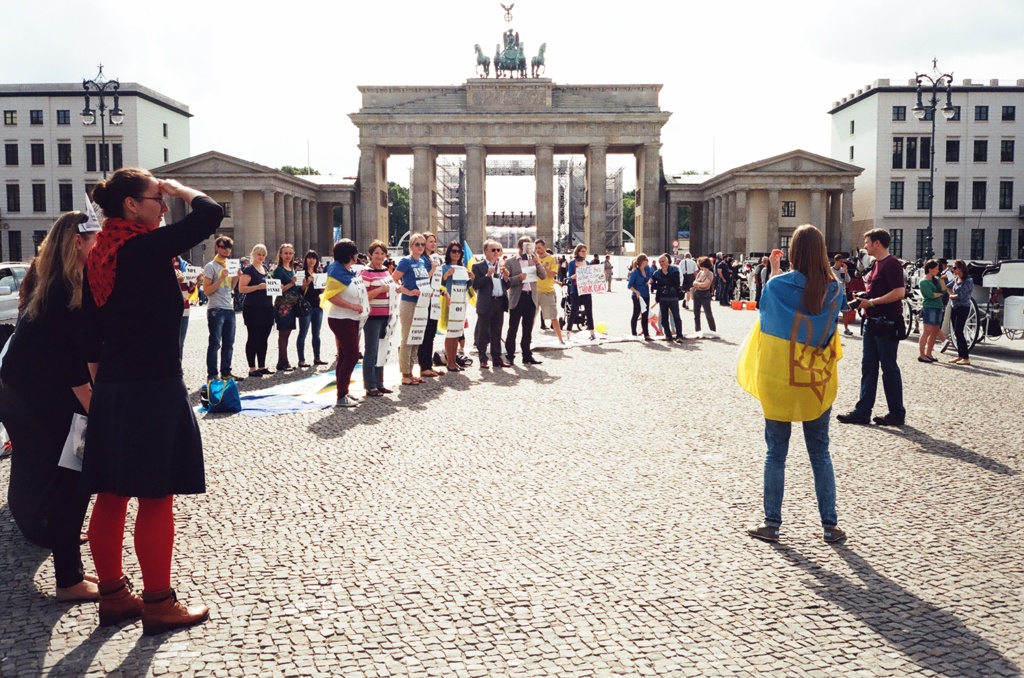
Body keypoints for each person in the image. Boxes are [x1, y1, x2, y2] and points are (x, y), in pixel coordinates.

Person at [82, 168, 222, 633]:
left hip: (115, 386)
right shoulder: (141, 248)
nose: (163, 207)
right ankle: (159, 604)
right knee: (156, 495)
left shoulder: (102, 251)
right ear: (130, 206)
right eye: (155, 198)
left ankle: (114, 596)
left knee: (111, 494)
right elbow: (210, 213)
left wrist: (103, 387)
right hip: (152, 384)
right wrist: (179, 187)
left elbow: (89, 333)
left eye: (164, 198)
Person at [0, 209, 99, 602]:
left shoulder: (55, 280)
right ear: (78, 242)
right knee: (72, 478)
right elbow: (70, 360)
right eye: (94, 239)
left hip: (18, 390)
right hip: (37, 394)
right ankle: (68, 578)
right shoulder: (67, 288)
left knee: (43, 469)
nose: (98, 245)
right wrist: (94, 406)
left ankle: (50, 538)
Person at [738, 224, 846, 544]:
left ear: (792, 252)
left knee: (776, 453)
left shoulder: (776, 286)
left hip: (782, 378)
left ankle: (772, 524)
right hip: (815, 380)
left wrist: (774, 272)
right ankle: (830, 525)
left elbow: (768, 317)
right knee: (820, 453)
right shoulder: (835, 287)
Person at [837, 228, 906, 427]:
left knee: (889, 368)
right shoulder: (877, 264)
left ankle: (896, 413)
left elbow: (899, 292)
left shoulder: (891, 263)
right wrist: (864, 300)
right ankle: (862, 411)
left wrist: (873, 302)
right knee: (868, 367)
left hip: (886, 322)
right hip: (873, 322)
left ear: (877, 243)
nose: (865, 246)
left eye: (867, 242)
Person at [321, 239, 366, 407]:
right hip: (341, 318)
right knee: (352, 356)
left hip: (350, 318)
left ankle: (343, 391)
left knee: (344, 356)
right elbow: (331, 296)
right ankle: (341, 396)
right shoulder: (336, 272)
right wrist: (352, 305)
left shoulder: (347, 270)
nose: (357, 255)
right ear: (350, 255)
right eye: (355, 253)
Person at [392, 233, 437, 384]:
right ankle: (405, 374)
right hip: (409, 303)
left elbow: (424, 281)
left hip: (421, 304)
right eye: (417, 244)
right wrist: (408, 291)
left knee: (416, 338)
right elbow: (394, 280)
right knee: (406, 339)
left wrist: (428, 291)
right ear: (411, 246)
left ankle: (412, 372)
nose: (420, 247)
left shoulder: (422, 263)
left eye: (422, 244)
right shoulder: (406, 261)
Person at [202, 235, 242, 382]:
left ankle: (226, 372)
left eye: (228, 247)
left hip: (229, 308)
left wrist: (236, 277)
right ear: (217, 248)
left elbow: (230, 289)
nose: (226, 250)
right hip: (215, 309)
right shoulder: (211, 266)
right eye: (223, 247)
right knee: (215, 343)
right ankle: (212, 375)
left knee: (229, 343)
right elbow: (206, 291)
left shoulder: (230, 265)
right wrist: (220, 278)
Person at [505, 236, 546, 365]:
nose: (528, 250)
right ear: (520, 247)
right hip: (517, 297)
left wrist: (538, 263)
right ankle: (510, 355)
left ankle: (527, 355)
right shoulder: (511, 261)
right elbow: (506, 282)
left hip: (531, 297)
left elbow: (543, 276)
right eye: (526, 247)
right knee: (513, 328)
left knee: (528, 329)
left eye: (530, 247)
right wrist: (518, 278)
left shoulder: (533, 260)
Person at [361, 240, 394, 396]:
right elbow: (363, 296)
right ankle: (370, 384)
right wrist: (380, 289)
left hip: (386, 316)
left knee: (382, 350)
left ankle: (380, 382)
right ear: (370, 255)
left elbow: (392, 289)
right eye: (376, 253)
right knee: (371, 351)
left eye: (382, 253)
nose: (380, 256)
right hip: (372, 317)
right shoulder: (366, 272)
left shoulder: (386, 271)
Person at [471, 239, 511, 368]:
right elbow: (475, 285)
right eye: (493, 250)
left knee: (497, 331)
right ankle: (483, 358)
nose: (496, 252)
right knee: (483, 332)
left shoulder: (502, 265)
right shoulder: (478, 266)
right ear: (486, 251)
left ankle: (497, 358)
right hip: (486, 302)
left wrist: (506, 278)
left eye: (498, 250)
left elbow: (507, 285)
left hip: (499, 301)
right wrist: (487, 276)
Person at [238, 244, 274, 377]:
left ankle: (262, 365)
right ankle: (252, 367)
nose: (261, 257)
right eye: (259, 254)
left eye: (263, 255)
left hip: (267, 307)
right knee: (253, 337)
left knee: (264, 337)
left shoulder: (264, 268)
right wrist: (257, 287)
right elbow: (241, 288)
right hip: (253, 307)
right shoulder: (249, 269)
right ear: (253, 254)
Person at [416, 233, 444, 378]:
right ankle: (424, 366)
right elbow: (421, 279)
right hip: (424, 300)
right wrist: (432, 270)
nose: (433, 244)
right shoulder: (422, 260)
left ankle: (429, 365)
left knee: (431, 333)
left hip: (434, 300)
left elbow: (438, 281)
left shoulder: (434, 258)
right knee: (425, 333)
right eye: (430, 242)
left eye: (434, 241)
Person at [440, 240, 469, 372]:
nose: (456, 254)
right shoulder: (444, 268)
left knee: (457, 332)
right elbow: (439, 285)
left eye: (459, 251)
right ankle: (449, 362)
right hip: (449, 301)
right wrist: (446, 276)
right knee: (450, 333)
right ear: (449, 253)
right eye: (454, 251)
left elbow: (466, 287)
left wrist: (471, 278)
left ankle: (454, 360)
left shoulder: (463, 268)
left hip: (461, 302)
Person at [271, 243, 300, 372]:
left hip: (292, 305)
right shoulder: (279, 270)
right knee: (283, 333)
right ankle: (283, 361)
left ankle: (282, 361)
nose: (288, 255)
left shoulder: (292, 268)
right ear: (280, 255)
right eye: (286, 253)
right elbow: (277, 289)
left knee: (287, 333)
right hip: (283, 305)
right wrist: (291, 283)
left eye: (290, 253)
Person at [296, 249, 326, 368]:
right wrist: (307, 283)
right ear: (305, 259)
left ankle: (317, 358)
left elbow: (322, 291)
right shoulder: (301, 273)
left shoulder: (320, 273)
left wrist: (323, 289)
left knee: (316, 334)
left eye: (314, 258)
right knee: (303, 333)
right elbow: (299, 290)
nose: (311, 260)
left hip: (317, 306)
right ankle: (301, 359)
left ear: (316, 260)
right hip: (305, 307)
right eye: (309, 258)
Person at [533, 239, 564, 344]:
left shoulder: (552, 259)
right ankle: (528, 338)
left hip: (547, 291)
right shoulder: (533, 258)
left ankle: (560, 339)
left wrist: (542, 267)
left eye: (539, 248)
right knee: (531, 316)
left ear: (545, 247)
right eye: (536, 248)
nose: (538, 250)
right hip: (534, 291)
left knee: (553, 317)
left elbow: (552, 274)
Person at [917, 259, 946, 363]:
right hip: (929, 307)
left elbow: (944, 291)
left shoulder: (937, 279)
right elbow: (931, 295)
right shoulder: (923, 282)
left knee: (934, 332)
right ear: (930, 269)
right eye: (936, 269)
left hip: (938, 306)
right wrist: (939, 294)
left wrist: (942, 281)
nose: (938, 271)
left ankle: (929, 353)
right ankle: (922, 354)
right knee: (927, 331)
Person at [651, 254, 684, 342]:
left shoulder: (674, 270)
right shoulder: (657, 273)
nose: (662, 263)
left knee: (676, 317)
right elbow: (654, 286)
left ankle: (679, 335)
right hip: (662, 298)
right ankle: (668, 335)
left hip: (673, 297)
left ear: (667, 261)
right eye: (660, 262)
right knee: (664, 318)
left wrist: (662, 283)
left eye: (663, 261)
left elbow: (675, 283)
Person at [566, 244, 596, 340]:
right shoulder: (572, 263)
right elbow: (568, 277)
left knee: (589, 311)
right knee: (573, 310)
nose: (584, 253)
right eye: (582, 251)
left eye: (585, 251)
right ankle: (568, 332)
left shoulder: (587, 263)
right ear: (578, 252)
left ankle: (592, 333)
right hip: (575, 288)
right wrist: (572, 277)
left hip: (585, 288)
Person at [948, 259, 975, 366]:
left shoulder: (968, 281)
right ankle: (960, 355)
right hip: (955, 307)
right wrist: (950, 294)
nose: (953, 270)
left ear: (961, 268)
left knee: (959, 331)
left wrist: (951, 296)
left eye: (954, 268)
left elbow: (961, 295)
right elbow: (948, 286)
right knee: (956, 332)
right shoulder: (956, 280)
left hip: (963, 307)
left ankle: (966, 356)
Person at [172, 255, 196, 359]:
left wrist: (195, 282)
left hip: (185, 308)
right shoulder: (163, 264)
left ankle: (178, 370)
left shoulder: (185, 265)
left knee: (180, 343)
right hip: (169, 309)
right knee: (169, 343)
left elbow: (190, 289)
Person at [627, 253, 654, 340]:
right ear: (642, 261)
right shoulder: (635, 272)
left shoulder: (648, 269)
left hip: (646, 294)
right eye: (646, 260)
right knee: (636, 313)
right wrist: (636, 292)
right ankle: (634, 333)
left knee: (645, 314)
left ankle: (646, 334)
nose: (648, 262)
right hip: (637, 296)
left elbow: (651, 278)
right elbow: (629, 285)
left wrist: (649, 281)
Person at [692, 256, 717, 333]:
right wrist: (699, 284)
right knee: (696, 314)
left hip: (705, 294)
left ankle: (713, 331)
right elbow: (694, 283)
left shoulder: (710, 274)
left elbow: (705, 285)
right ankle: (697, 330)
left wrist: (697, 284)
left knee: (708, 313)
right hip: (697, 293)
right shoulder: (700, 273)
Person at [832, 254, 853, 336]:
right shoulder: (831, 270)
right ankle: (834, 329)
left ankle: (846, 328)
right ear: (836, 261)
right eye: (840, 262)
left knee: (845, 311)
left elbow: (848, 280)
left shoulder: (842, 270)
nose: (841, 263)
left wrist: (845, 271)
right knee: (834, 312)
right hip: (834, 294)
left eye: (842, 262)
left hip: (843, 293)